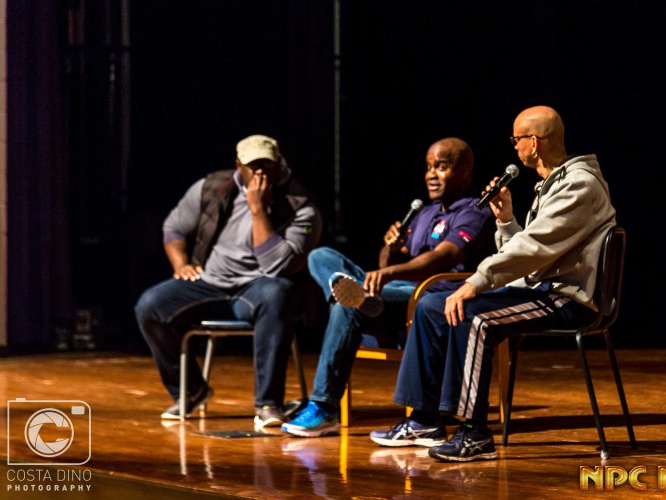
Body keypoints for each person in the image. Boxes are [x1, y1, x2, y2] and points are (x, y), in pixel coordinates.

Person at [369, 106, 616, 461]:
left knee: (474, 317)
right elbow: (532, 249)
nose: (514, 147)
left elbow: (534, 250)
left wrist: (477, 282)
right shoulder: (553, 184)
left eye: (516, 140)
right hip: (541, 289)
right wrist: (506, 220)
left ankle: (474, 433)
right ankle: (423, 420)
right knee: (431, 305)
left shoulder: (578, 185)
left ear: (534, 143)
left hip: (567, 299)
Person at [281, 137, 494, 437]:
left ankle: (323, 408)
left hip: (431, 297)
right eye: (428, 167)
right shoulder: (425, 212)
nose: (431, 175)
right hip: (396, 296)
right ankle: (357, 296)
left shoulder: (474, 211)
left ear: (464, 170)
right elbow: (388, 264)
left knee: (347, 305)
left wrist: (389, 273)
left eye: (441, 167)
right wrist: (390, 248)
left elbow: (443, 258)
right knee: (320, 256)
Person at [135, 134, 323, 428]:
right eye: (253, 166)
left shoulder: (301, 206)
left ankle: (268, 403)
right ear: (239, 165)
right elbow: (174, 227)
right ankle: (191, 390)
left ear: (279, 164)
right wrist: (182, 264)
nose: (260, 172)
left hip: (260, 286)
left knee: (278, 294)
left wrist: (258, 209)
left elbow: (277, 266)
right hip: (211, 282)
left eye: (267, 165)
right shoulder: (211, 187)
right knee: (150, 305)